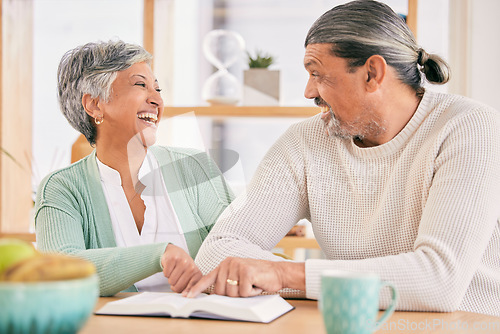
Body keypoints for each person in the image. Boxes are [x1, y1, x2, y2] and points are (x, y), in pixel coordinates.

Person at [187, 0, 500, 317]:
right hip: (352, 322)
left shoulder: (468, 126)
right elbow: (217, 252)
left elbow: (439, 281)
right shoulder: (306, 141)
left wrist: (282, 275)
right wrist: (312, 281)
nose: (310, 91)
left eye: (318, 74)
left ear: (372, 73)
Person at [34, 40, 233, 296]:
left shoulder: (196, 167)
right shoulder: (62, 189)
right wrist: (157, 255)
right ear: (94, 105)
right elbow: (59, 271)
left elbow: (240, 249)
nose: (157, 99)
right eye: (141, 85)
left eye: (158, 89)